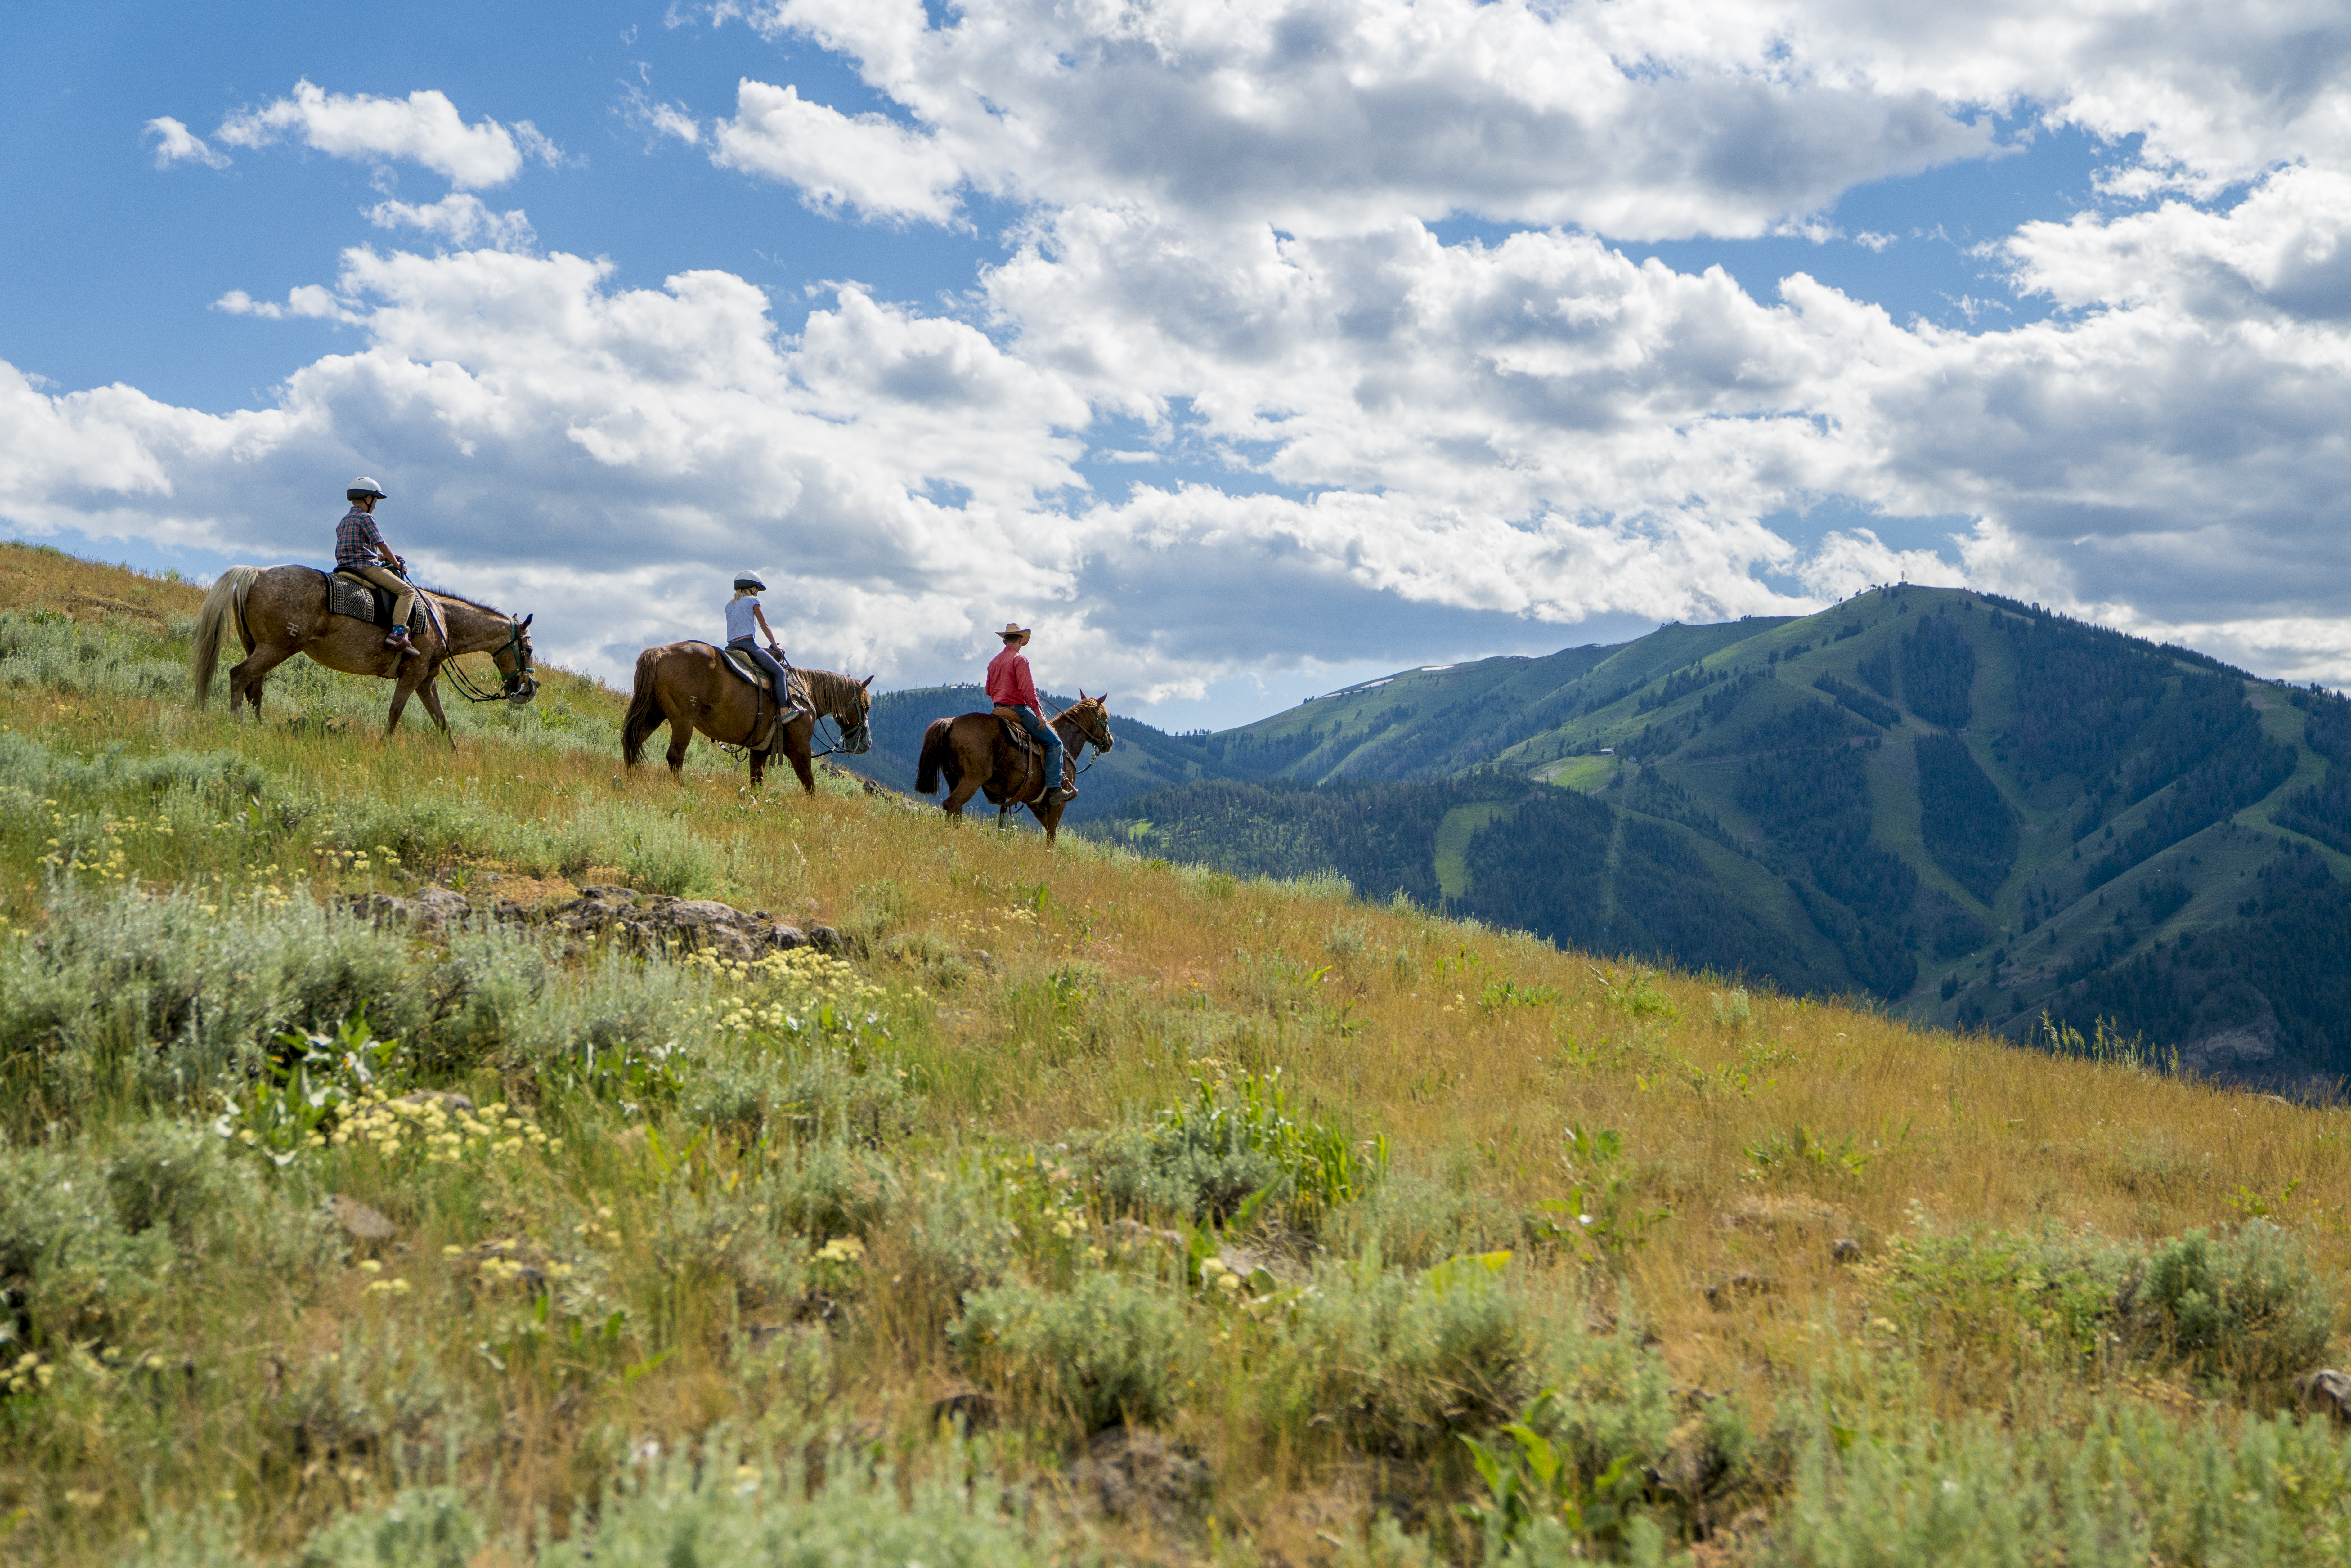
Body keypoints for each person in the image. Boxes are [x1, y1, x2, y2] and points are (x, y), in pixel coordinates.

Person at [986, 622, 1072, 805]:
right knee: (1055, 744)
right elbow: (1027, 690)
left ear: (1004, 642)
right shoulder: (1020, 660)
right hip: (1018, 711)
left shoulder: (993, 662)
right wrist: (1040, 715)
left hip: (998, 711)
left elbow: (988, 690)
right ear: (1020, 640)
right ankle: (1055, 790)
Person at [335, 477, 420, 654]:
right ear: (368, 499)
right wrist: (396, 564)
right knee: (408, 591)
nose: (375, 506)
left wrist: (383, 559)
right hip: (364, 569)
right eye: (375, 502)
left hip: (343, 568)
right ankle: (398, 633)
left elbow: (360, 548)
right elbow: (381, 543)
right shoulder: (367, 518)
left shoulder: (344, 521)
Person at [725, 571, 794, 696]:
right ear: (752, 589)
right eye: (757, 590)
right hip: (748, 646)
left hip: (731, 647)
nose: (757, 593)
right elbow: (765, 626)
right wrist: (775, 646)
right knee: (780, 673)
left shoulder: (729, 605)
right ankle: (785, 712)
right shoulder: (753, 601)